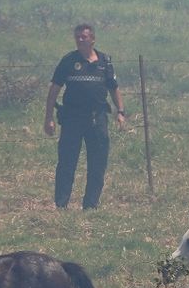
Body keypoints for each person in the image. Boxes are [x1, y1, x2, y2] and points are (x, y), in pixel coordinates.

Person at [44, 23, 127, 209]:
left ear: (93, 39)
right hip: (72, 119)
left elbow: (114, 89)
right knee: (67, 163)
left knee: (97, 164)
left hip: (98, 119)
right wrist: (48, 118)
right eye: (78, 37)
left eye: (84, 37)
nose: (80, 40)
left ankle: (90, 205)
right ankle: (61, 204)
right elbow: (54, 89)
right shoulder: (68, 61)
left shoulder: (105, 62)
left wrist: (120, 112)